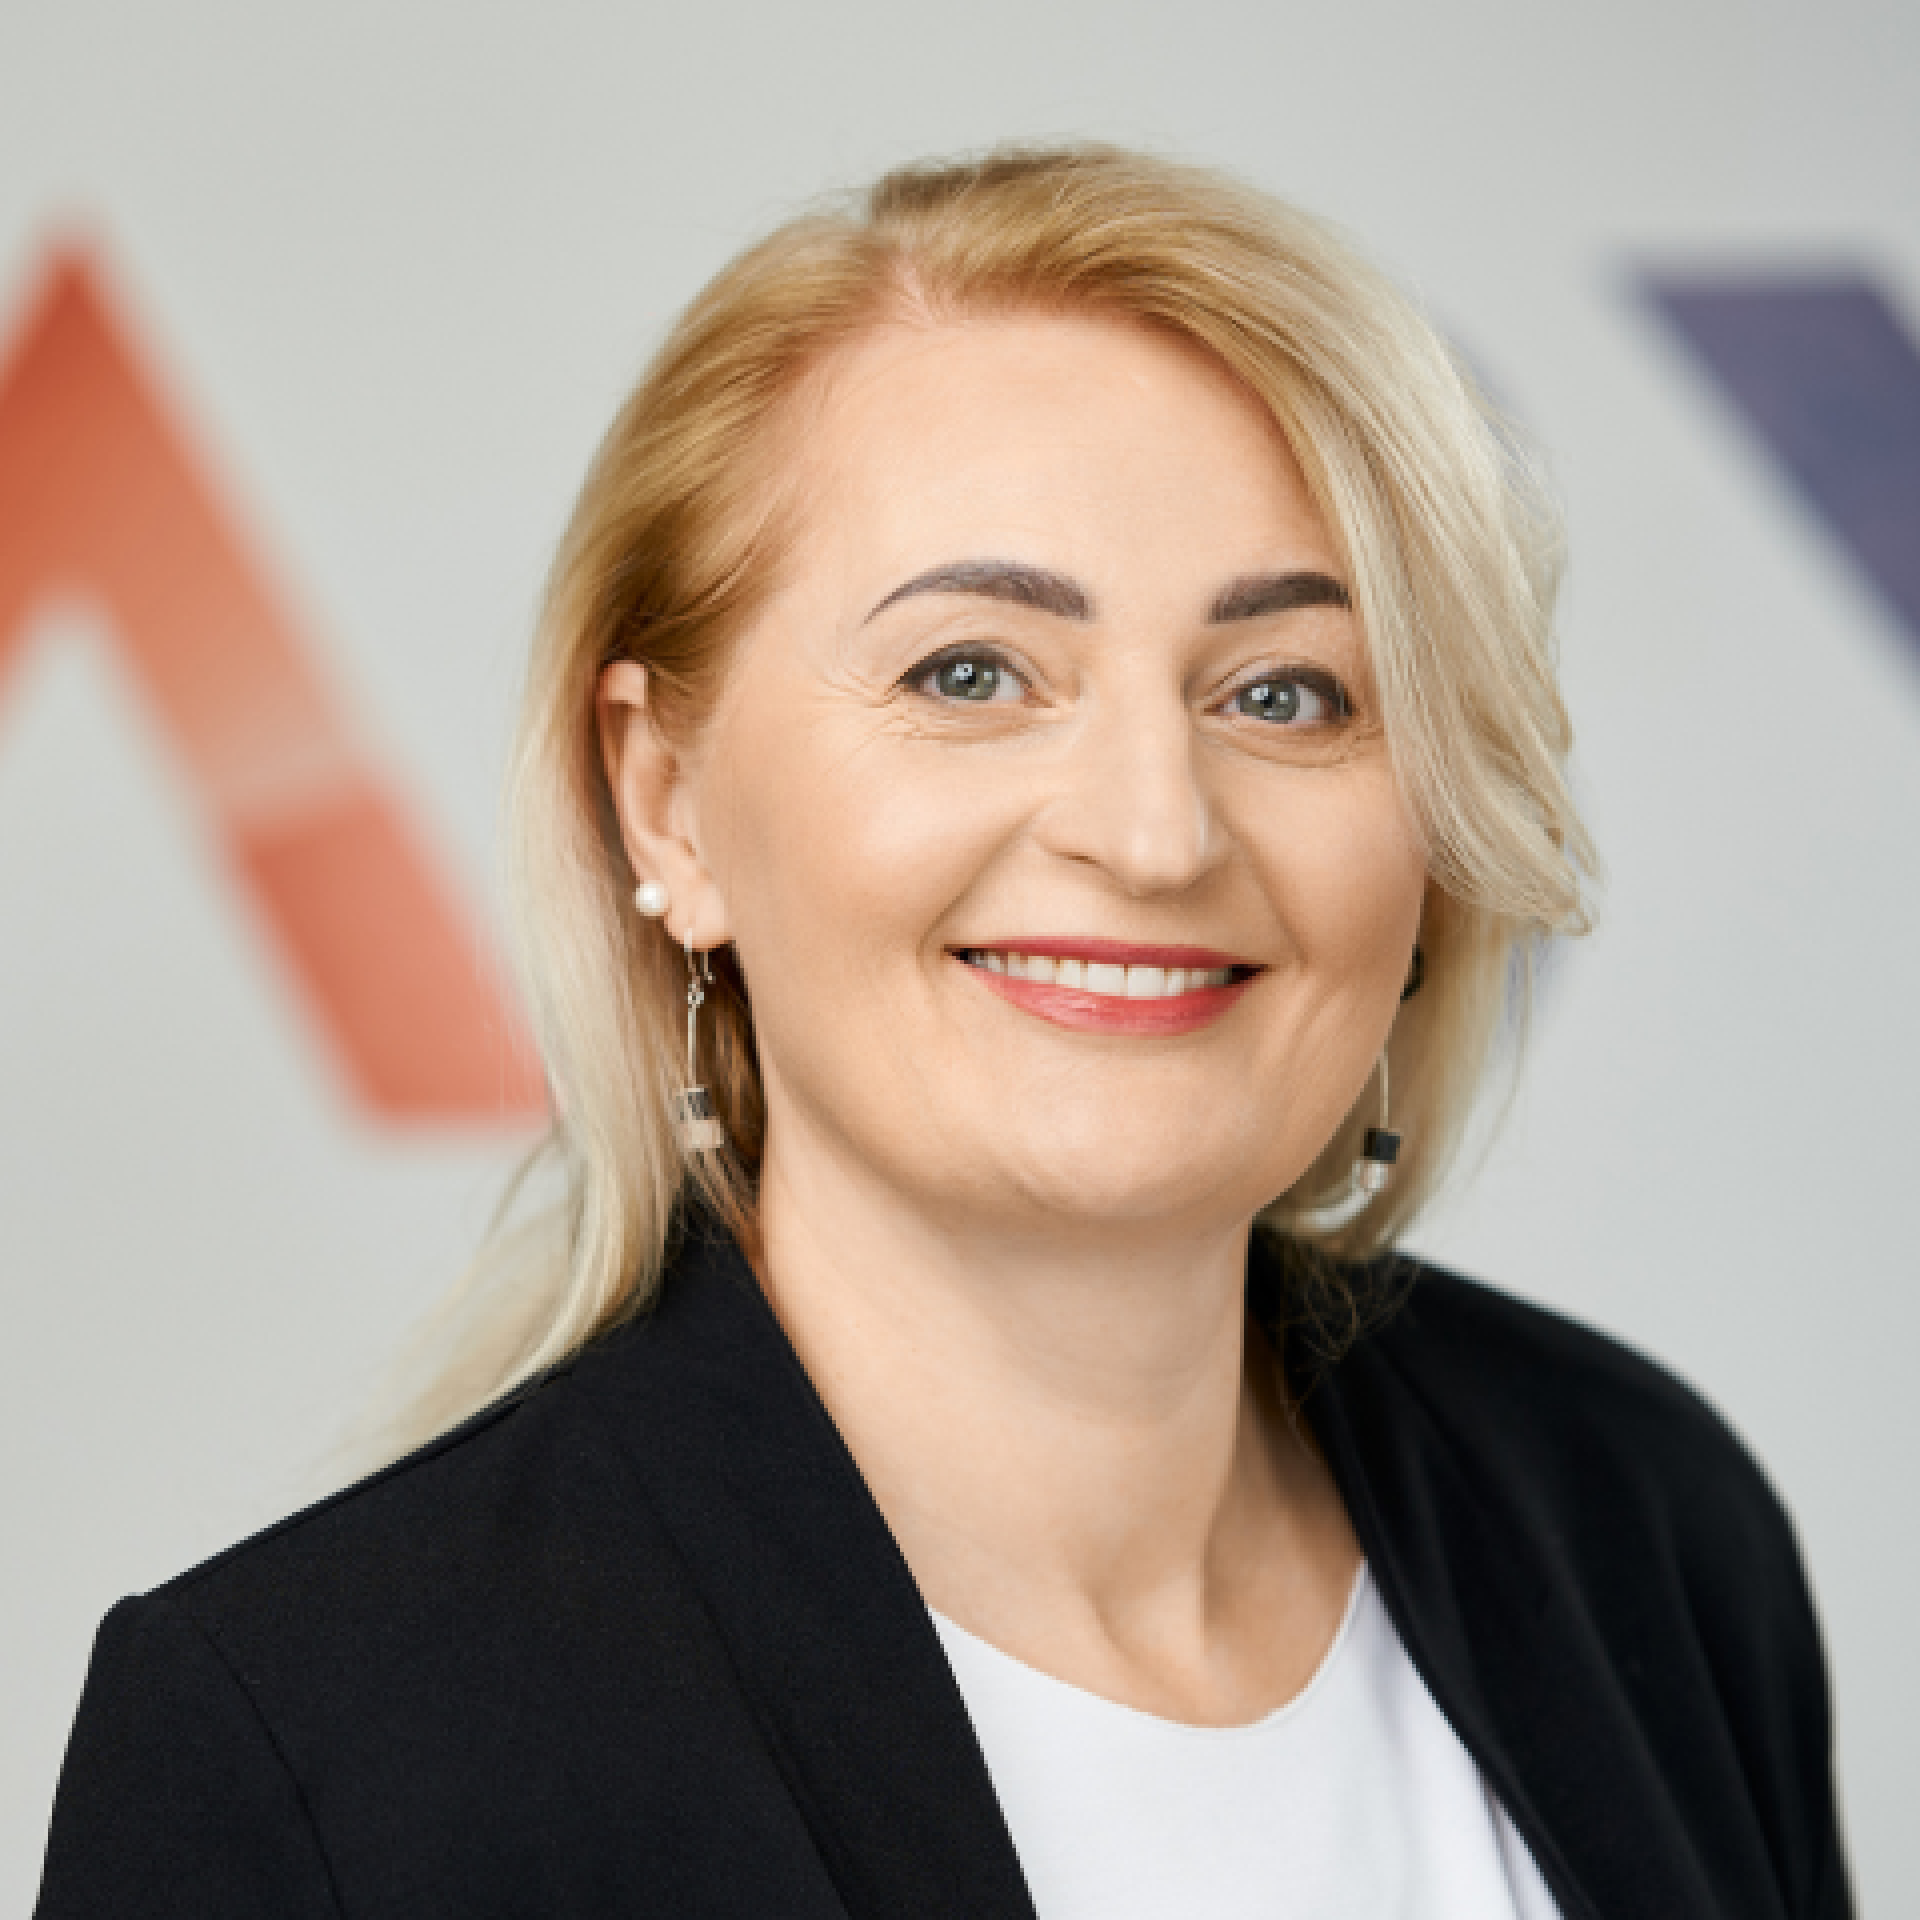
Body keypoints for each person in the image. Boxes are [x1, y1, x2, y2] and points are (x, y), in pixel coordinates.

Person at [34, 144, 1850, 1919]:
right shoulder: (314, 1753)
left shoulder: (1641, 1525)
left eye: (1286, 693)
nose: (1156, 832)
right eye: (970, 673)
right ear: (667, 802)